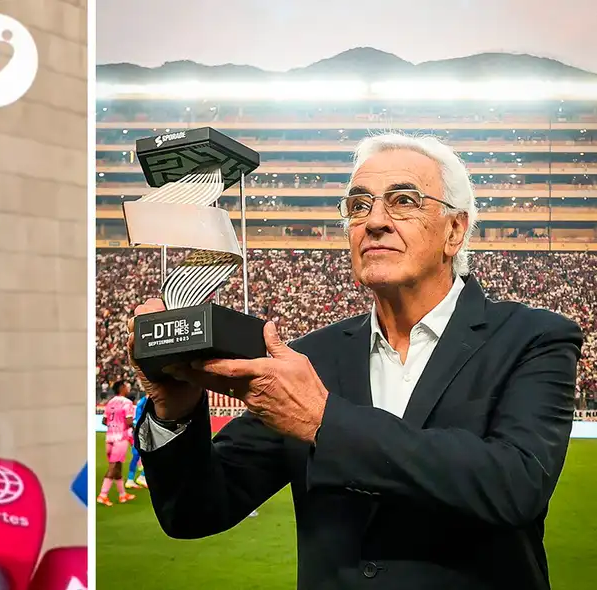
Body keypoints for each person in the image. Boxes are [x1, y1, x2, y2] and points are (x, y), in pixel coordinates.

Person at [132, 133, 583, 590]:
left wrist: (324, 422)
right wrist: (176, 411)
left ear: (454, 230)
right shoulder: (311, 358)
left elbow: (515, 486)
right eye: (359, 205)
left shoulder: (534, 337)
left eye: (403, 200)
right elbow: (196, 511)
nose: (375, 222)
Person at [98, 380, 137, 506]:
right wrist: (137, 430)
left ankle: (122, 494)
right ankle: (103, 495)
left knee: (117, 466)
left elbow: (104, 421)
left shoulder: (110, 402)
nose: (127, 388)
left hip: (109, 437)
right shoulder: (127, 403)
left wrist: (114, 425)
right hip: (120, 438)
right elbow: (129, 421)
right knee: (113, 467)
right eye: (126, 386)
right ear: (121, 388)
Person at [125, 389, 147, 489]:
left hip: (138, 429)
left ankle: (131, 479)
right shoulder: (146, 401)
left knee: (136, 455)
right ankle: (142, 477)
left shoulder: (141, 401)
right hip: (143, 430)